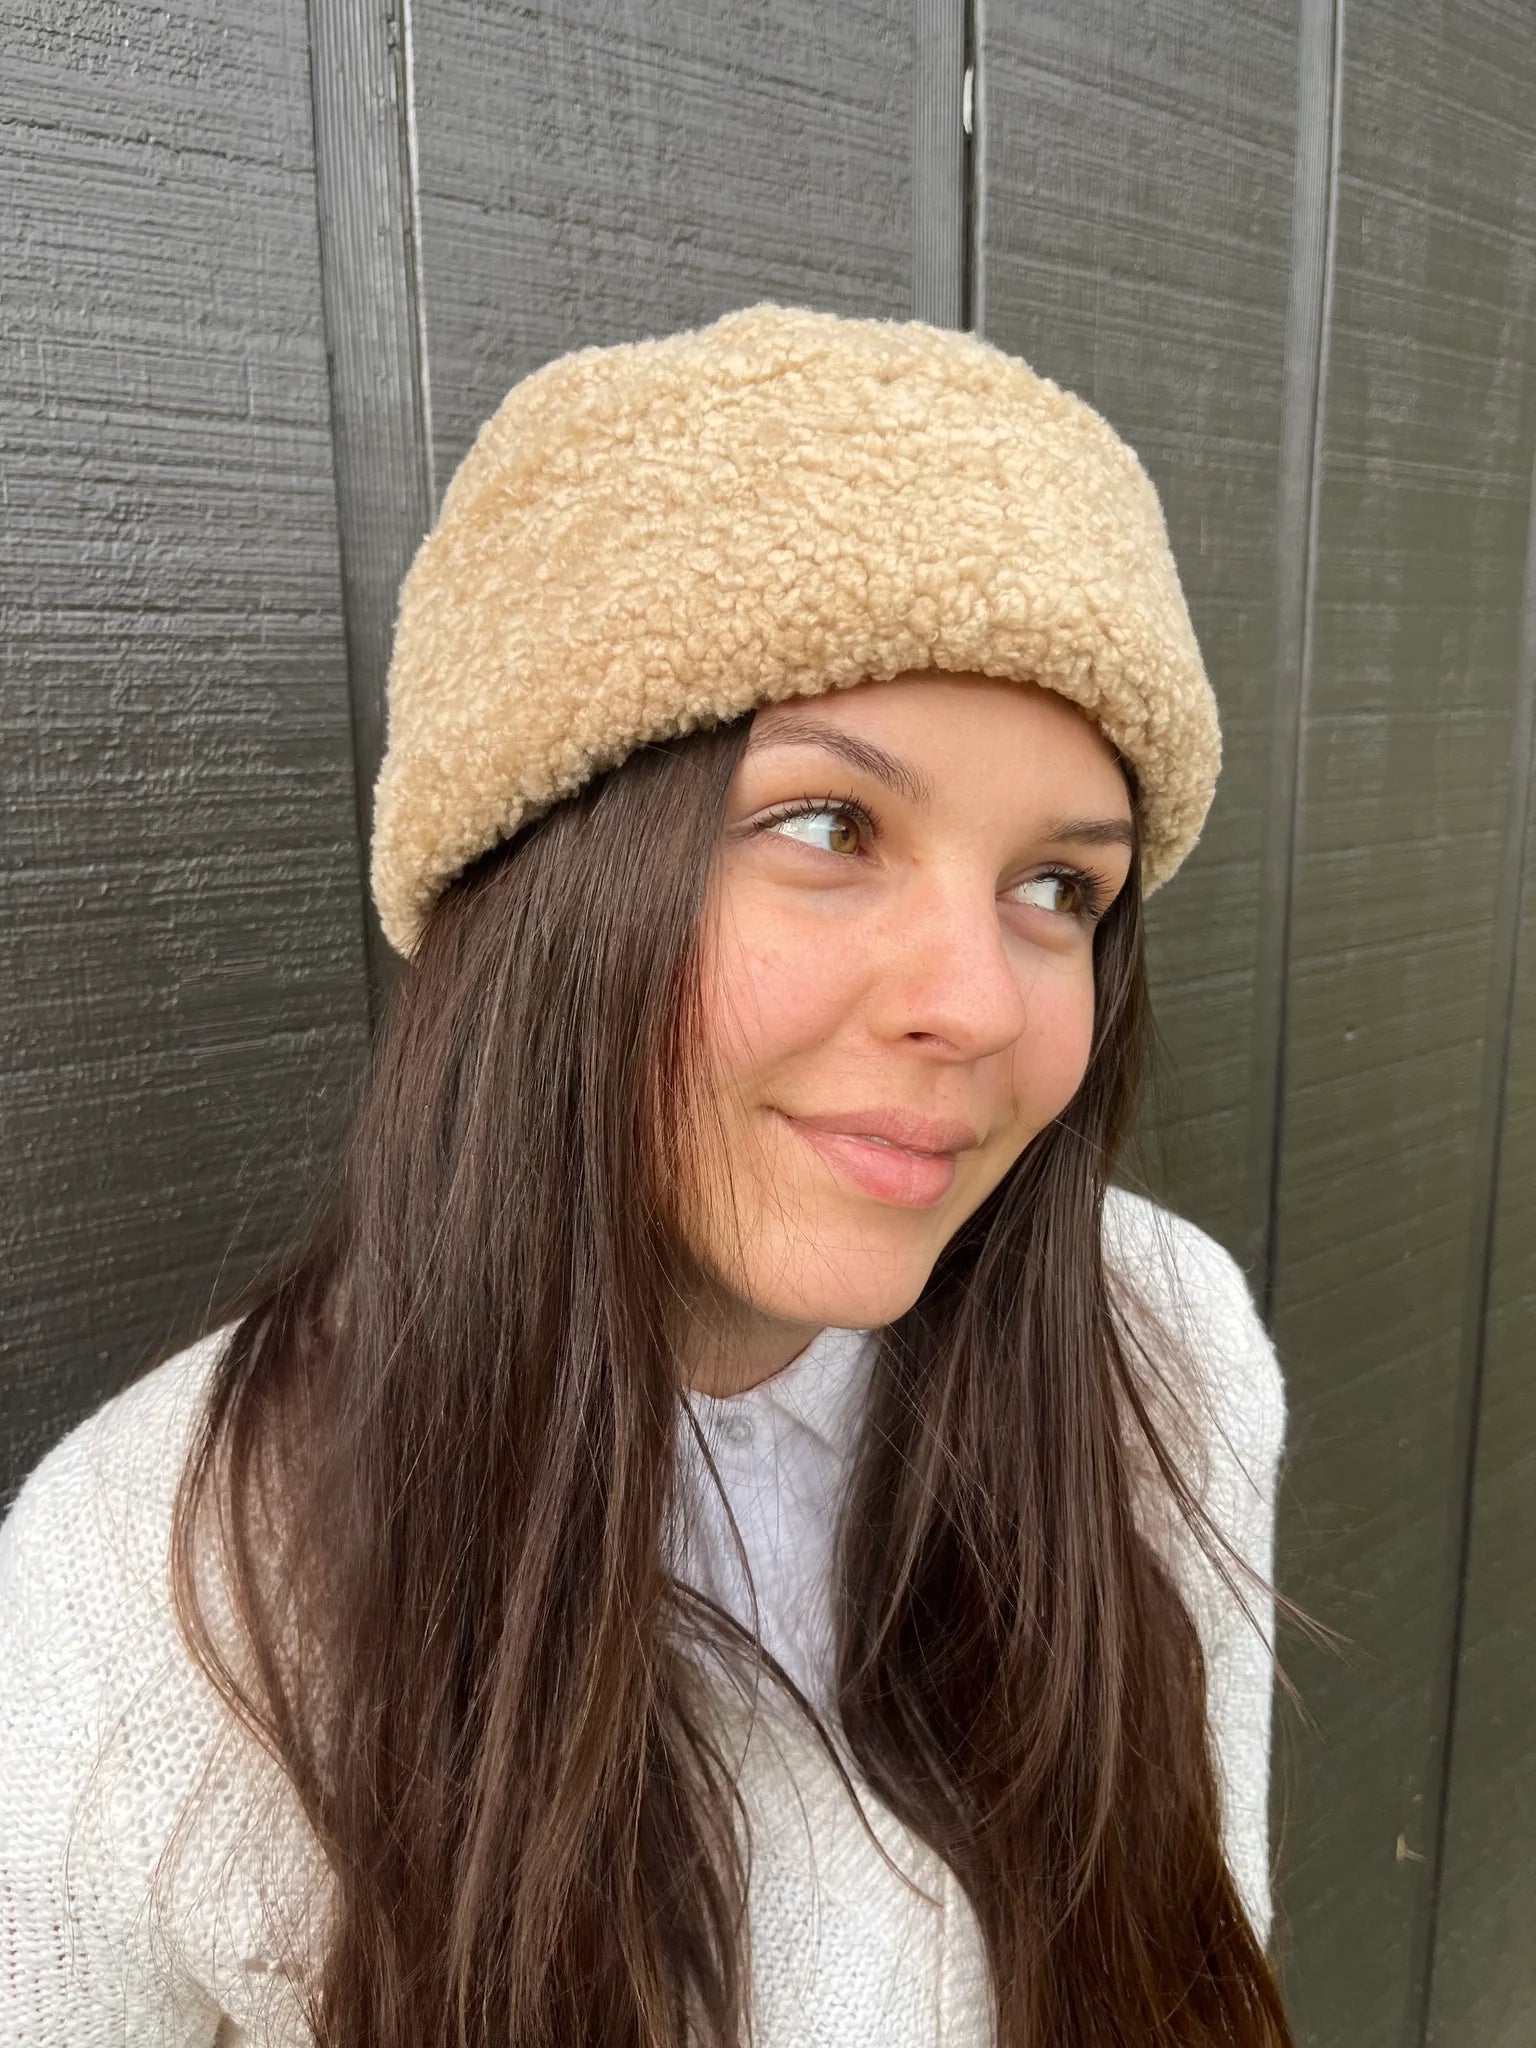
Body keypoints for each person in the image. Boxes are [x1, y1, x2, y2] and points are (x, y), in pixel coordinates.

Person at [0, 302, 1298, 2046]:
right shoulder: (153, 1589)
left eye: (1058, 887)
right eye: (829, 827)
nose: (980, 1004)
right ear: (541, 881)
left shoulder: (1160, 1346)